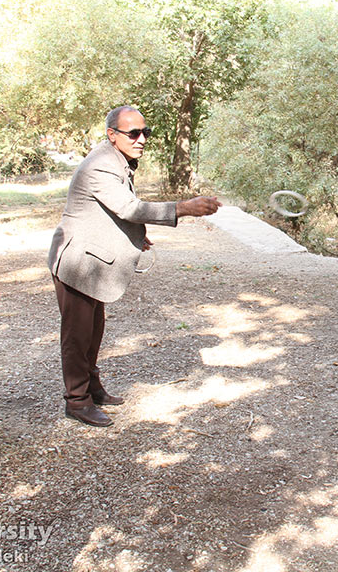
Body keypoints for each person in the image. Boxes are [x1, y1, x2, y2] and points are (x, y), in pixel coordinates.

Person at [49, 106, 221, 427]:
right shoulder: (101, 165)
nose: (142, 139)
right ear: (112, 135)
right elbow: (129, 208)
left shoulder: (118, 159)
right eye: (133, 133)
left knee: (93, 331)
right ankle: (77, 400)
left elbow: (108, 211)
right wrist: (184, 207)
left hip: (91, 260)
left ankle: (92, 387)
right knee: (77, 335)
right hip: (77, 262)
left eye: (146, 133)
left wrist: (136, 238)